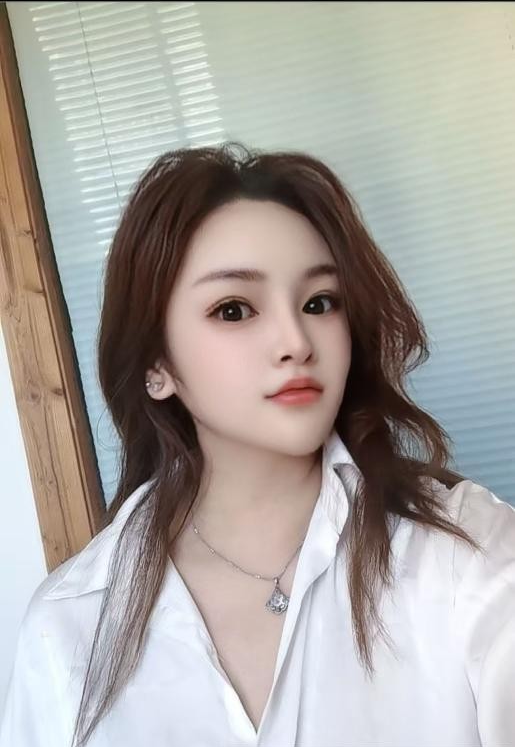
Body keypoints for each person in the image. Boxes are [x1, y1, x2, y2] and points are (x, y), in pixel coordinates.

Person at [1, 141, 514, 747]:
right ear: (156, 365)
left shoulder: (467, 552)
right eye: (234, 310)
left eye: (319, 303)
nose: (296, 341)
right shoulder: (71, 624)